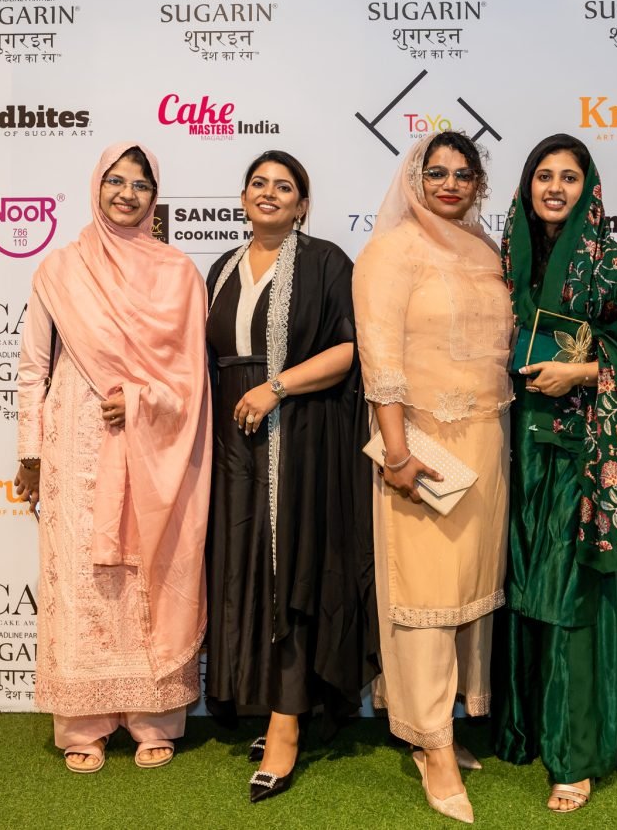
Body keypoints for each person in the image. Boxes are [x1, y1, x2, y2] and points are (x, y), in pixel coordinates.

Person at [14, 142, 211, 773]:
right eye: (116, 182)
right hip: (76, 443)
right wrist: (30, 454)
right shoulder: (60, 269)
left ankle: (154, 717)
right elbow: (33, 368)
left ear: (156, 197)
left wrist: (142, 400)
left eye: (141, 185)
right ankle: (84, 724)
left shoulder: (179, 273)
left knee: (149, 567)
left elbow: (191, 377)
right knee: (84, 581)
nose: (127, 194)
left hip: (153, 450)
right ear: (97, 186)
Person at [492, 134, 617, 812]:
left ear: (588, 188)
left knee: (568, 596)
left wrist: (584, 372)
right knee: (519, 585)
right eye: (544, 175)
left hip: (579, 453)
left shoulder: (607, 259)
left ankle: (575, 753)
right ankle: (523, 728)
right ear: (527, 185)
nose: (555, 187)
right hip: (511, 446)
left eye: (569, 176)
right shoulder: (506, 257)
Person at [204, 151, 377, 803]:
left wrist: (275, 387)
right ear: (243, 196)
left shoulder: (327, 261)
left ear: (303, 205)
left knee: (291, 570)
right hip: (233, 442)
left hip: (300, 436)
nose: (269, 193)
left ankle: (286, 723)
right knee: (245, 569)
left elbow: (348, 350)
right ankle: (265, 697)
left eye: (285, 187)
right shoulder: (222, 267)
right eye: (259, 183)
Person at [352, 131, 513, 825]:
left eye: (463, 173)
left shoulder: (486, 250)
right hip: (420, 445)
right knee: (422, 596)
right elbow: (379, 356)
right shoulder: (390, 252)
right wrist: (396, 453)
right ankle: (435, 747)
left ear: (478, 184)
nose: (450, 183)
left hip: (487, 439)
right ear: (415, 179)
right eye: (437, 172)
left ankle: (438, 724)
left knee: (466, 593)